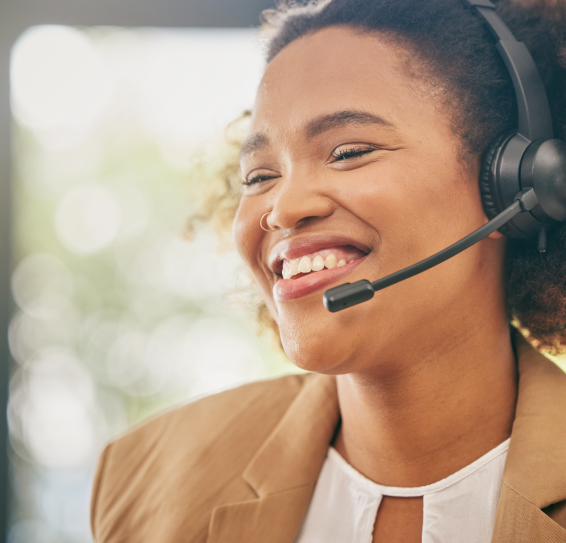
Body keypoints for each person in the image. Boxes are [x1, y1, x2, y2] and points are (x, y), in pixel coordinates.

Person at [90, 0, 566, 541]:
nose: (283, 208)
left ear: (514, 188)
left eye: (348, 151)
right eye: (259, 176)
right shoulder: (148, 478)